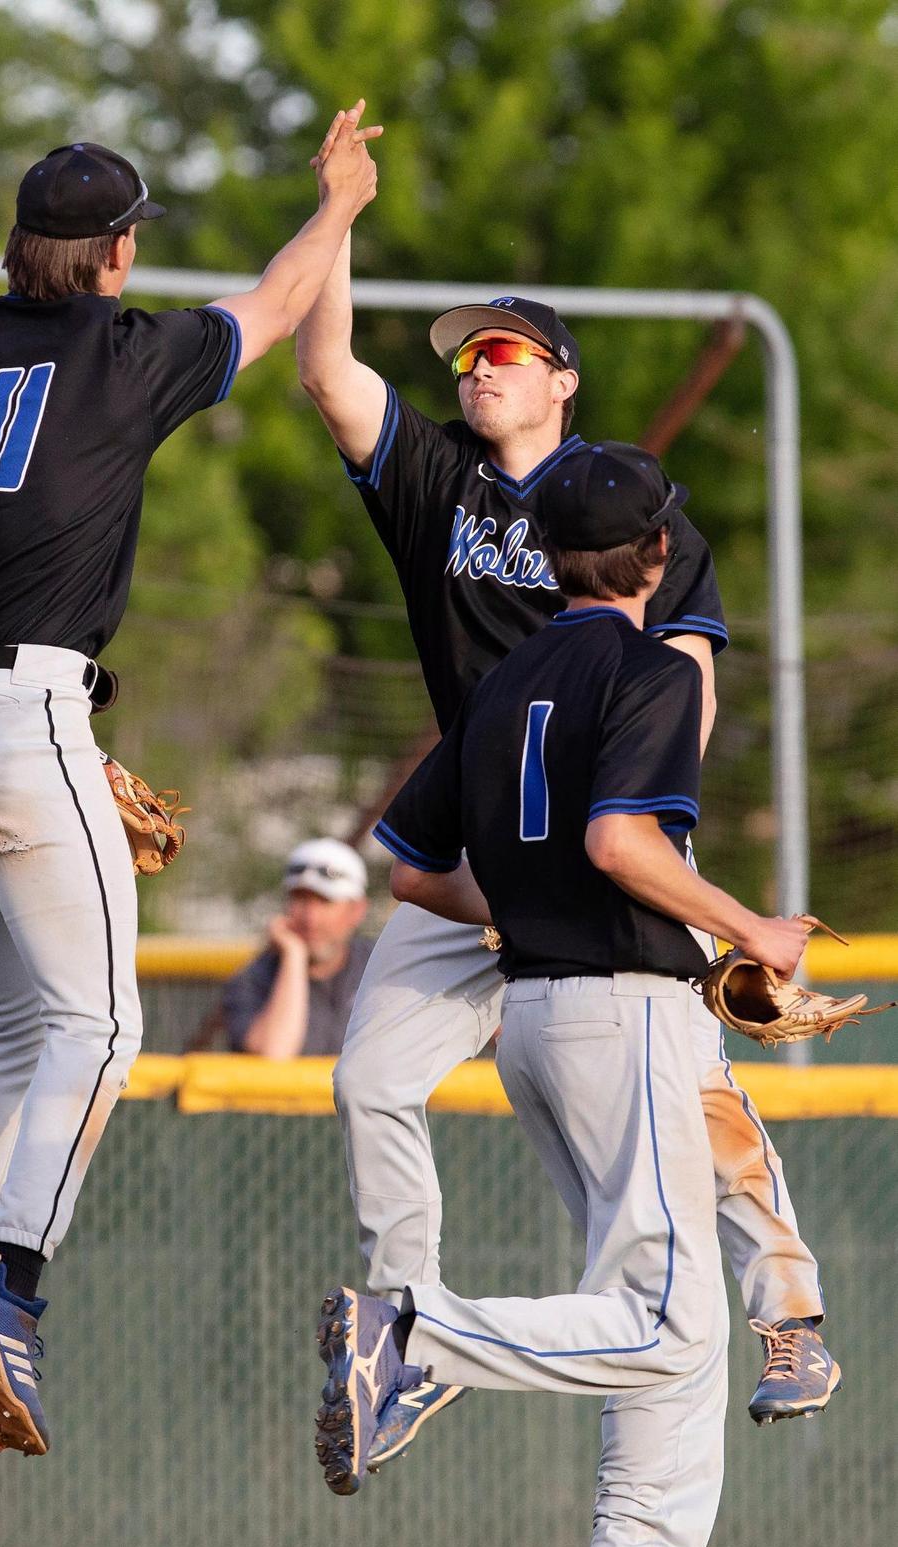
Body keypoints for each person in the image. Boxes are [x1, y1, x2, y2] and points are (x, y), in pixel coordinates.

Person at [0, 104, 383, 1456]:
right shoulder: (123, 353)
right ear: (110, 260)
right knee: (104, 1035)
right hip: (24, 711)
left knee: (25, 1028)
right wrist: (338, 204)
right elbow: (277, 307)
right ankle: (14, 1303)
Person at [295, 208, 835, 1460]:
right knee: (368, 1077)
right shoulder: (440, 485)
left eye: (503, 352)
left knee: (694, 1096)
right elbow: (326, 372)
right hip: (485, 854)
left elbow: (686, 685)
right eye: (469, 355)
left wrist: (644, 845)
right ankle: (410, 1335)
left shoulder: (635, 508)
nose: (478, 367)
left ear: (561, 379)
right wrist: (339, 217)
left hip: (607, 836)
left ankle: (791, 1310)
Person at [315, 444, 813, 1547]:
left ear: (543, 556)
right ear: (655, 554)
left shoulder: (503, 677)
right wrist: (754, 926)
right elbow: (620, 844)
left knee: (666, 1305)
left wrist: (518, 907)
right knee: (671, 1325)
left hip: (535, 1014)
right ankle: (417, 1338)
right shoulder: (643, 670)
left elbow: (413, 867)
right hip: (619, 1011)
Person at [223, 839, 372, 1058]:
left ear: (357, 910)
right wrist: (293, 957)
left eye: (325, 901)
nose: (310, 919)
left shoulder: (382, 968)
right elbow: (272, 1058)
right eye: (300, 900)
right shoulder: (254, 979)